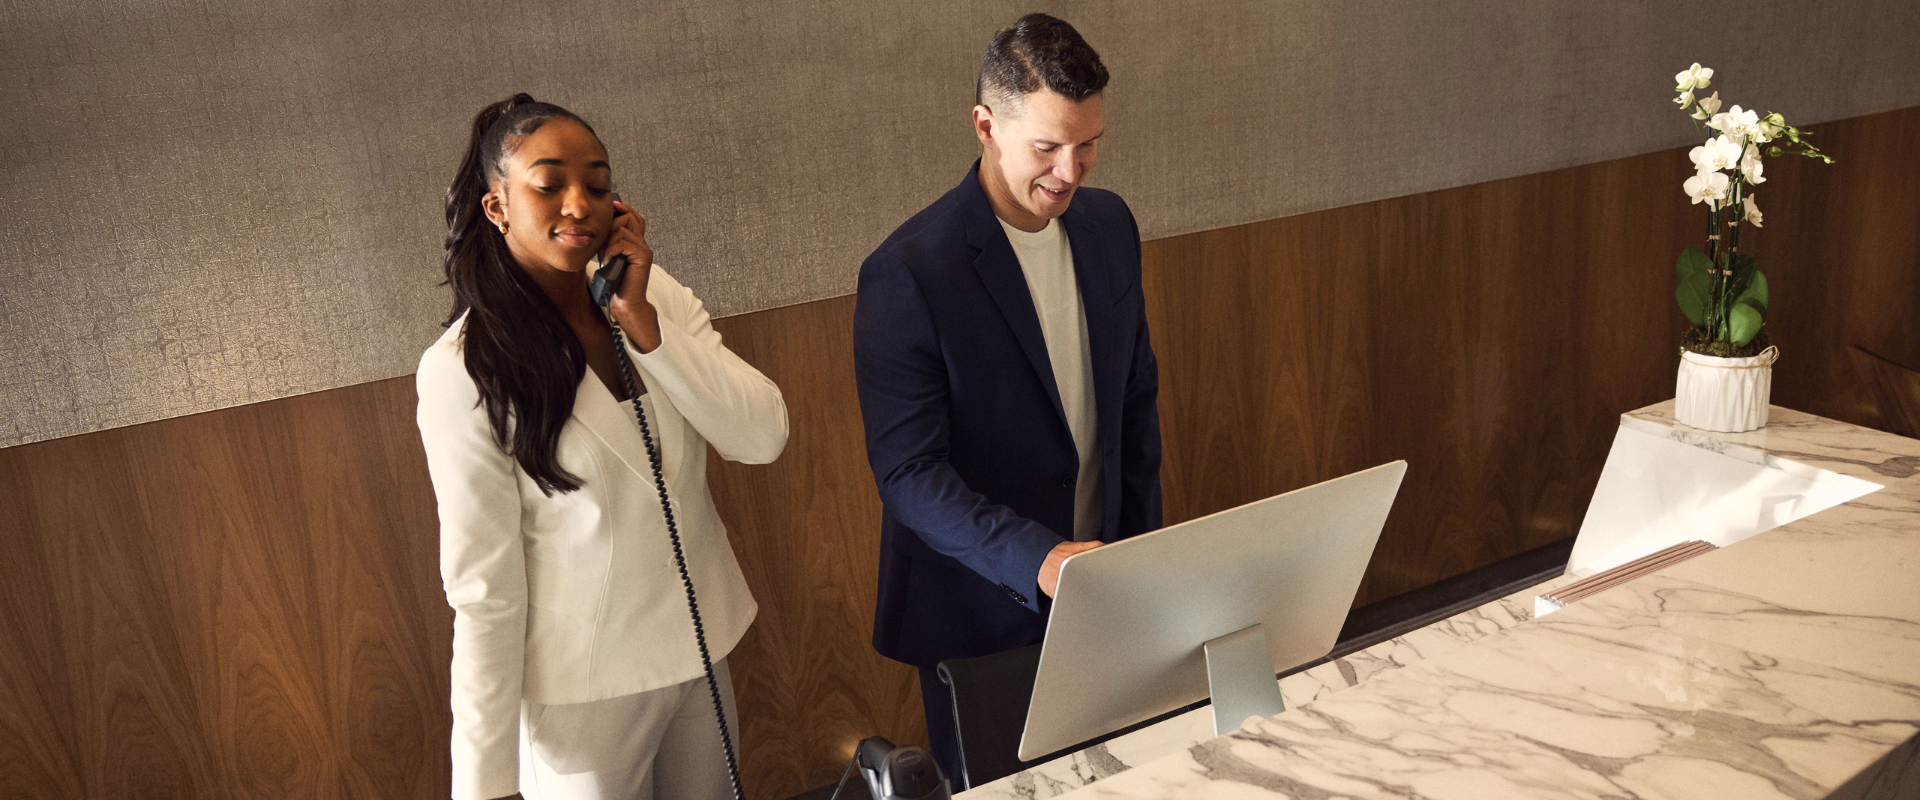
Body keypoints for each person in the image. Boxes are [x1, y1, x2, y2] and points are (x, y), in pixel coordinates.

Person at [415, 94, 787, 800]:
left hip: (698, 651)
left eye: (597, 183)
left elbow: (762, 436)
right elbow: (484, 590)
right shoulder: (463, 367)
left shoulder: (650, 295)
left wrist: (645, 326)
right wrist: (485, 785)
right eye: (549, 183)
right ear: (497, 206)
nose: (578, 204)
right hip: (583, 692)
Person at [852, 14, 1163, 780]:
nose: (1071, 170)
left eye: (1087, 144)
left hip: (1108, 583)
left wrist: (1149, 555)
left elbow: (1134, 401)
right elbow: (907, 475)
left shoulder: (1110, 225)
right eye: (1047, 147)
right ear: (986, 126)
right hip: (980, 608)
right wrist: (1041, 558)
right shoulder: (910, 271)